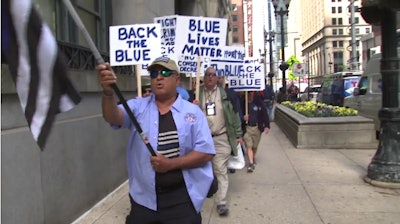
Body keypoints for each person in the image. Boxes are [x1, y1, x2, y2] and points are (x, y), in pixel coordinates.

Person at [97, 56, 216, 224]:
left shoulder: (193, 113)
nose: (159, 77)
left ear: (177, 80)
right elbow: (113, 117)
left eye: (165, 72)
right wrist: (108, 93)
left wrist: (171, 164)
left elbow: (206, 152)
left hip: (182, 200)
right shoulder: (138, 107)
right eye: (154, 73)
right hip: (144, 201)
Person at [192, 67, 243, 216]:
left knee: (220, 169)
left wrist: (238, 134)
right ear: (203, 77)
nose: (210, 77)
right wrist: (192, 107)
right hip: (202, 139)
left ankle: (221, 202)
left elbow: (234, 116)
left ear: (217, 78)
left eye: (213, 75)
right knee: (202, 170)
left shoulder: (227, 95)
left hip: (221, 137)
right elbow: (186, 116)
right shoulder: (196, 94)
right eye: (207, 75)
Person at [242, 91, 270, 173]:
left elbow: (264, 114)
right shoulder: (243, 104)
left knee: (254, 146)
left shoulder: (259, 103)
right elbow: (238, 115)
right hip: (247, 128)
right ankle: (251, 163)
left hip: (257, 128)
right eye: (248, 94)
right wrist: (243, 118)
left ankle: (253, 157)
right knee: (249, 145)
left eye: (251, 94)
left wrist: (267, 126)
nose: (250, 96)